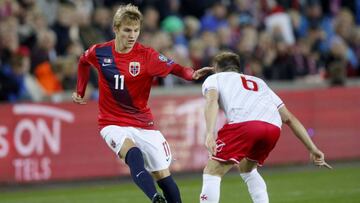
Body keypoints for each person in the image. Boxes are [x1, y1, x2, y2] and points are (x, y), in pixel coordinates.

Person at [72, 4, 212, 203]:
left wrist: (192, 74)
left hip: (143, 123)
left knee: (163, 177)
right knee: (133, 153)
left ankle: (162, 195)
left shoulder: (147, 56)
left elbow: (176, 68)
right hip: (111, 122)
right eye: (127, 30)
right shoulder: (100, 52)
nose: (132, 35)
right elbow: (83, 61)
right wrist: (80, 90)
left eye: (136, 31)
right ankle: (155, 198)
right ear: (116, 29)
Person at [199, 52, 331, 203]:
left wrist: (210, 133)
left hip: (245, 125)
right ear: (237, 68)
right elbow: (289, 118)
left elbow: (211, 101)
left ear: (216, 68)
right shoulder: (259, 82)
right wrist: (312, 148)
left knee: (212, 171)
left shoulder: (214, 78)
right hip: (273, 128)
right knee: (247, 168)